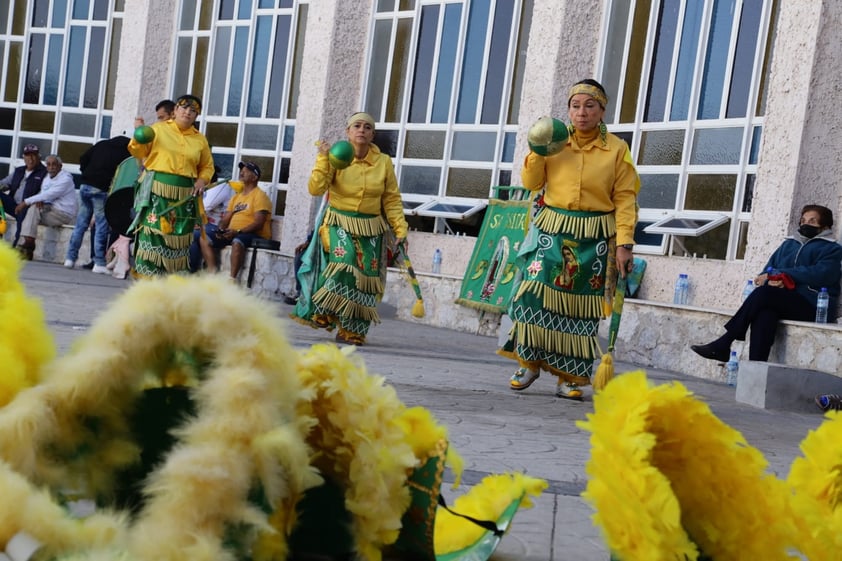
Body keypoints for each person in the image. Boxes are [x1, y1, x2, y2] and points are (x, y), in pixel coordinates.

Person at [498, 79, 640, 400]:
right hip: (552, 229)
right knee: (534, 294)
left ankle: (571, 376)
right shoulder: (555, 142)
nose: (581, 113)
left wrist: (625, 244)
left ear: (602, 111)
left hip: (594, 239)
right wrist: (537, 151)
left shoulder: (617, 150)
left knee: (582, 309)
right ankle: (529, 363)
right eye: (575, 106)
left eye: (590, 106)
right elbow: (533, 183)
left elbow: (626, 198)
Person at [292, 112, 409, 346]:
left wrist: (400, 229)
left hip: (371, 226)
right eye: (357, 126)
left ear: (372, 134)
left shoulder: (383, 162)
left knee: (366, 278)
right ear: (348, 131)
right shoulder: (338, 155)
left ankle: (352, 330)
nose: (362, 130)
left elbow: (391, 199)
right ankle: (325, 310)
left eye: (367, 127)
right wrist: (323, 159)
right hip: (339, 221)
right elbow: (315, 189)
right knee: (344, 261)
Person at [691, 204, 842, 363]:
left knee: (764, 295)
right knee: (765, 313)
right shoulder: (788, 244)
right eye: (803, 220)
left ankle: (725, 342)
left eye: (812, 221)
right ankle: (756, 368)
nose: (805, 224)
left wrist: (782, 276)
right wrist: (772, 280)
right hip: (783, 301)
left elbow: (821, 274)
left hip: (813, 305)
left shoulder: (832, 249)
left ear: (825, 227)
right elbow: (767, 271)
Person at [127, 94, 214, 276]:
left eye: (193, 111)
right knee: (153, 231)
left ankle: (172, 284)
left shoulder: (200, 139)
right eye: (183, 108)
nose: (187, 113)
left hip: (185, 195)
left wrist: (202, 180)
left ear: (197, 116)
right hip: (158, 190)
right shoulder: (157, 130)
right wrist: (138, 135)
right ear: (174, 111)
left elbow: (207, 166)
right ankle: (147, 283)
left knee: (179, 236)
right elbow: (138, 152)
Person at [64, 135, 131, 272]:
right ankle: (99, 263)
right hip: (100, 190)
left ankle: (70, 259)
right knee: (101, 226)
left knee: (80, 224)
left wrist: (87, 174)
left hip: (85, 187)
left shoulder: (101, 145)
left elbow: (83, 158)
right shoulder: (125, 151)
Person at [197, 161, 270, 281]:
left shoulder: (260, 196)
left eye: (247, 170)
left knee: (237, 241)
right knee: (204, 237)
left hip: (253, 234)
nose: (242, 172)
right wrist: (221, 230)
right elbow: (225, 219)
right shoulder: (236, 197)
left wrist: (237, 231)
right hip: (234, 232)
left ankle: (232, 279)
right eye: (242, 169)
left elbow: (258, 223)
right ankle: (212, 272)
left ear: (255, 177)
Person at [14, 155, 78, 260]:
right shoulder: (47, 178)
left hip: (63, 213)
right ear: (46, 166)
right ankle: (28, 245)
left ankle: (28, 245)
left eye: (54, 164)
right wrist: (39, 199)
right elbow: (44, 193)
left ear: (60, 166)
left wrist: (25, 202)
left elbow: (50, 194)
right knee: (33, 209)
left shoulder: (65, 179)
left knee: (31, 210)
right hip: (50, 208)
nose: (51, 167)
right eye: (48, 164)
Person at [188, 167, 235, 272]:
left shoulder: (221, 187)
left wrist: (195, 221)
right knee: (189, 235)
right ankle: (191, 269)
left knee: (195, 235)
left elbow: (204, 207)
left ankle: (207, 270)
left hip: (219, 226)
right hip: (205, 224)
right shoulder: (207, 188)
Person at [0, 144, 47, 247]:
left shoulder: (44, 173)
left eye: (33, 155)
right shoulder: (19, 170)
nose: (30, 158)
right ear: (24, 157)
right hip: (13, 204)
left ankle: (17, 245)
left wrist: (39, 198)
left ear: (39, 157)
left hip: (27, 206)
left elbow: (46, 190)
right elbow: (5, 183)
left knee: (23, 214)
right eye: (28, 155)